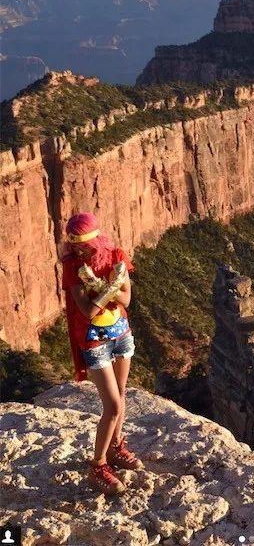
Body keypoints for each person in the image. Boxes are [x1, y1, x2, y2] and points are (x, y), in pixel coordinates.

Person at [61, 212, 143, 495]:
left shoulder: (116, 255)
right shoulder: (72, 266)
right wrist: (109, 286)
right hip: (93, 342)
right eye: (75, 245)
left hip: (121, 335)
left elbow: (127, 299)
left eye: (84, 245)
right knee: (113, 406)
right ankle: (97, 465)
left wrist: (104, 287)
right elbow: (88, 311)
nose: (80, 250)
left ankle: (117, 445)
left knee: (121, 394)